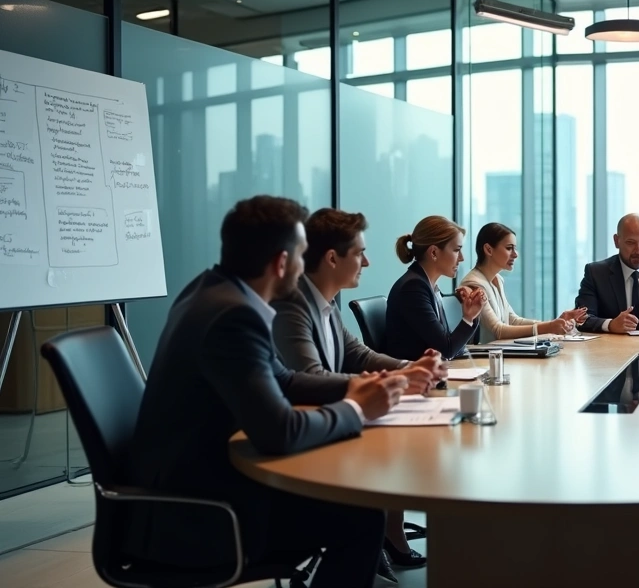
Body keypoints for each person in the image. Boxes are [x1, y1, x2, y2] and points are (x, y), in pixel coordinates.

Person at [128, 196, 435, 588]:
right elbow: (279, 432)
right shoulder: (234, 316)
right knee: (360, 516)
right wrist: (357, 409)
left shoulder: (215, 292)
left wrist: (362, 386)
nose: (306, 264)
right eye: (302, 253)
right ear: (281, 263)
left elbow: (285, 380)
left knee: (357, 507)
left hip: (191, 481)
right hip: (196, 513)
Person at [271, 207, 444, 577]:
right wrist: (384, 384)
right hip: (299, 452)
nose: (367, 261)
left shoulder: (325, 299)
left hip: (321, 433)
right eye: (360, 253)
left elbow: (354, 352)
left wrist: (406, 368)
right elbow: (309, 377)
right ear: (332, 258)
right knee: (364, 513)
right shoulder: (292, 304)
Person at [460, 222, 588, 343]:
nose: (515, 254)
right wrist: (548, 327)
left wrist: (556, 322)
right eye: (509, 248)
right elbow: (498, 330)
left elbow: (513, 320)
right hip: (487, 359)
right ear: (488, 249)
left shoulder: (497, 279)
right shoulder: (474, 283)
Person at [384, 215, 487, 361]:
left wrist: (471, 314)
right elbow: (446, 349)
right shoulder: (413, 288)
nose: (461, 258)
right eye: (457, 250)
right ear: (433, 253)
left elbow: (451, 346)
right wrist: (469, 317)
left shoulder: (426, 285)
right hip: (418, 380)